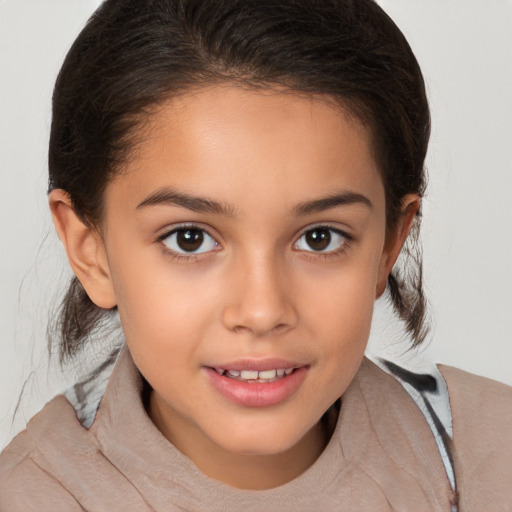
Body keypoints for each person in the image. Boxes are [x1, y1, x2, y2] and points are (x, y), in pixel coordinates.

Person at [0, 0, 510, 510]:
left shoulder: (491, 460)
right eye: (190, 239)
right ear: (91, 251)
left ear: (388, 244)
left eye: (319, 238)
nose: (262, 312)